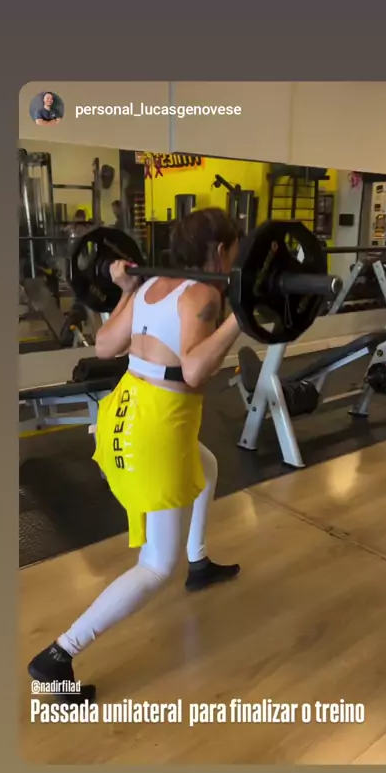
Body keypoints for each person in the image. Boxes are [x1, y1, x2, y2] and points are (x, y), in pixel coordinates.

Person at [28, 208, 243, 699]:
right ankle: (57, 657)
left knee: (206, 466)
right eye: (233, 252)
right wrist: (241, 317)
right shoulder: (204, 294)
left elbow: (106, 345)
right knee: (155, 568)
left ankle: (199, 562)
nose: (234, 261)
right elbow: (195, 371)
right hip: (154, 430)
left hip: (121, 413)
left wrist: (124, 291)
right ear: (218, 251)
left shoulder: (149, 286)